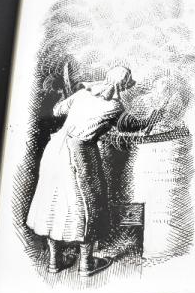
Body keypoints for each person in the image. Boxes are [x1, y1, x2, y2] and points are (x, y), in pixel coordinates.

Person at [26, 66, 136, 277]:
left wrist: (72, 99)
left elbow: (57, 111)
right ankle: (86, 264)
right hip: (81, 152)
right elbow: (126, 126)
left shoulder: (84, 93)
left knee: (54, 201)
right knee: (88, 204)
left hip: (54, 150)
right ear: (123, 84)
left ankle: (54, 262)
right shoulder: (116, 106)